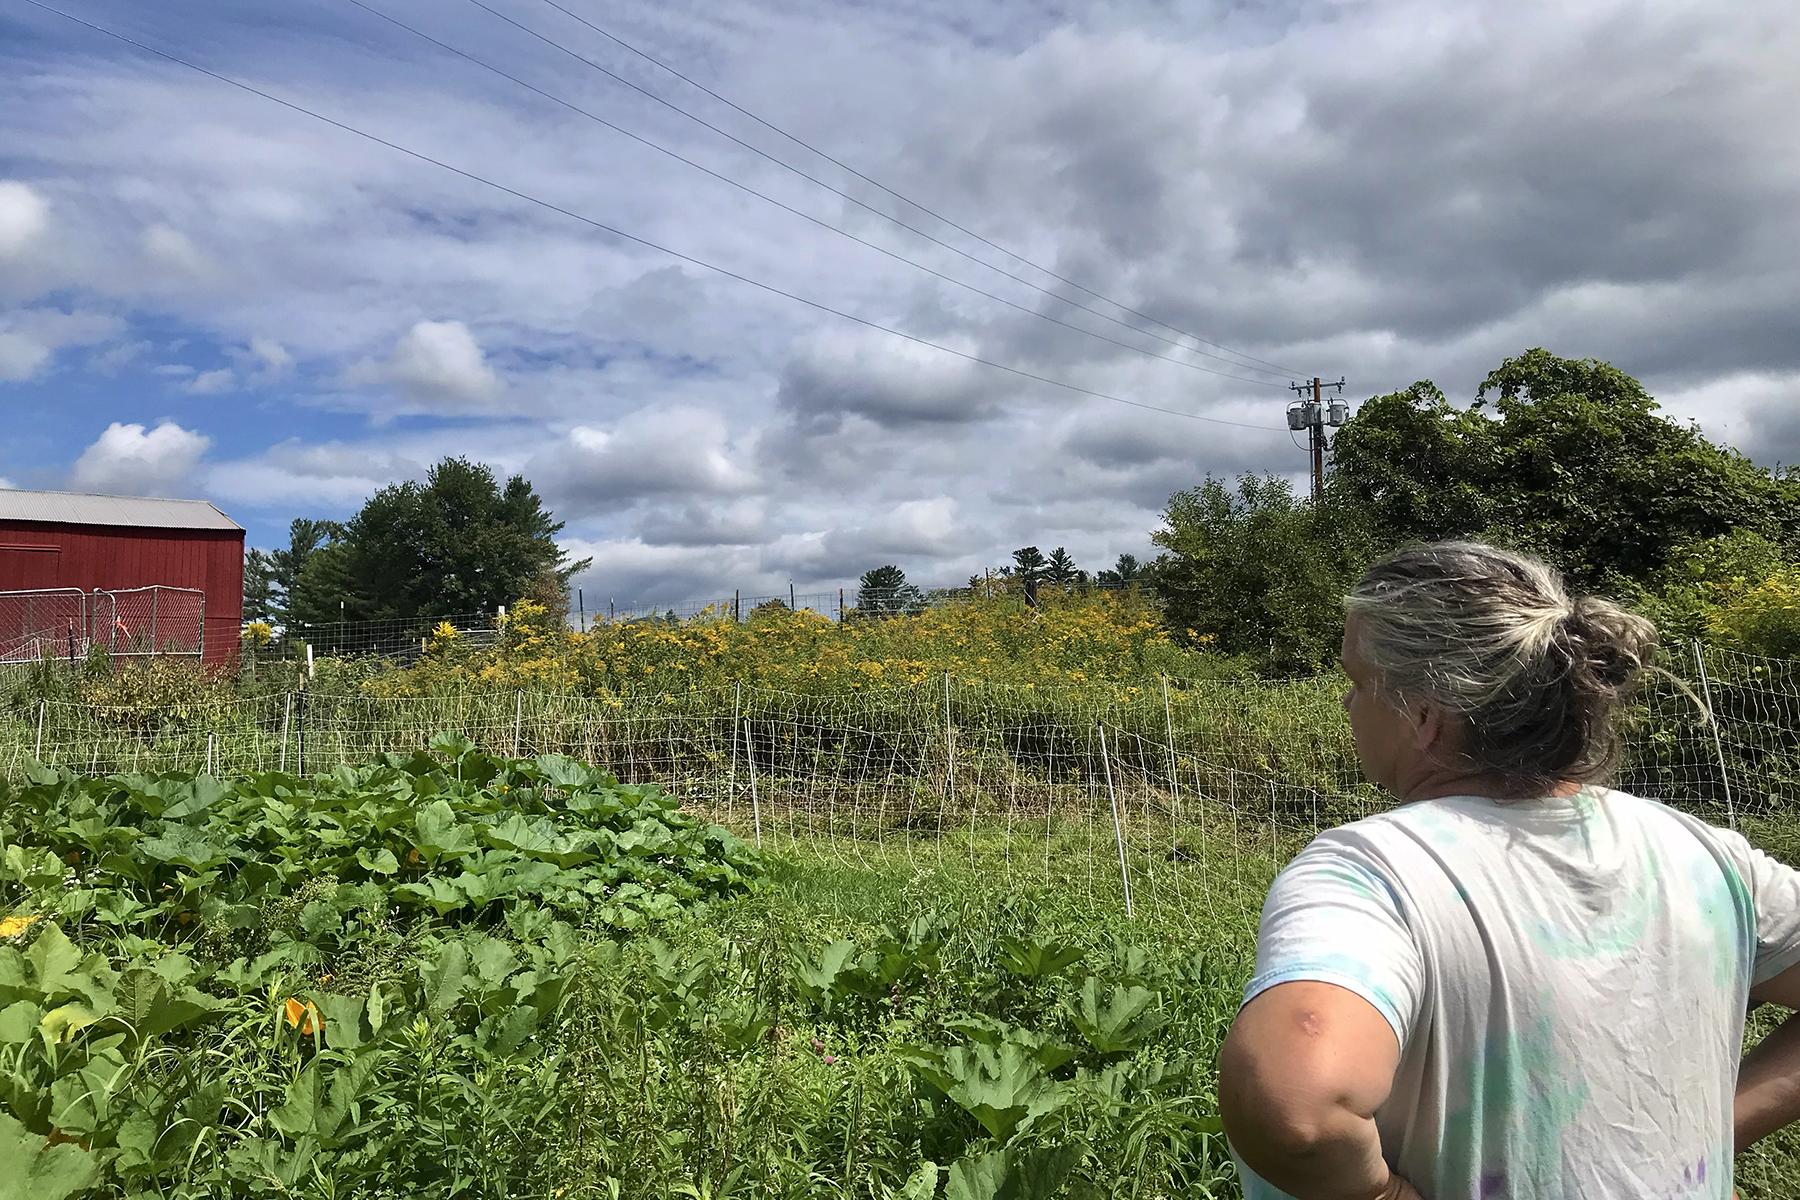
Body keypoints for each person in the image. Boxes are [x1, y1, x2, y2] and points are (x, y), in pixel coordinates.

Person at [1219, 541, 1800, 1199]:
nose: (1349, 706)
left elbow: (1297, 1104)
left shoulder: (1375, 874)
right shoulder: (1704, 854)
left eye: (1358, 683)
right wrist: (1707, 1138)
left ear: (1425, 715)